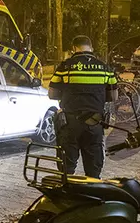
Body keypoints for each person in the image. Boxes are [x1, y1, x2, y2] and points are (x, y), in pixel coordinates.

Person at [49, 35, 118, 179]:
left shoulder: (65, 66)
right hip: (94, 122)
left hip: (70, 123)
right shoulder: (105, 68)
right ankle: (92, 195)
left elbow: (52, 94)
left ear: (74, 48)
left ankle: (67, 195)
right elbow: (113, 96)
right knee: (93, 168)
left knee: (66, 167)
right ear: (91, 47)